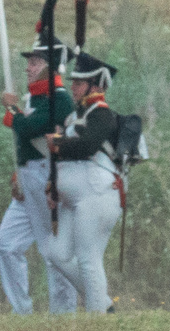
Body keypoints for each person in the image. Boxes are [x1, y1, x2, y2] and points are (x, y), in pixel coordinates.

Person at [0, 44, 78, 314]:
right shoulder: (34, 99)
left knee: (53, 249)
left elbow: (29, 128)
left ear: (51, 68)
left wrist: (12, 108)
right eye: (30, 63)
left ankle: (63, 314)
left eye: (36, 63)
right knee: (5, 245)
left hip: (46, 177)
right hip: (29, 176)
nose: (28, 68)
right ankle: (22, 312)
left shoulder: (60, 99)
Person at [50, 51, 126, 311]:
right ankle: (103, 304)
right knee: (58, 254)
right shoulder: (76, 115)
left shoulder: (102, 115)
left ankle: (97, 317)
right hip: (75, 197)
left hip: (96, 194)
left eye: (79, 83)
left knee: (88, 259)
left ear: (95, 86)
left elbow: (87, 145)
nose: (73, 87)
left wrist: (59, 144)